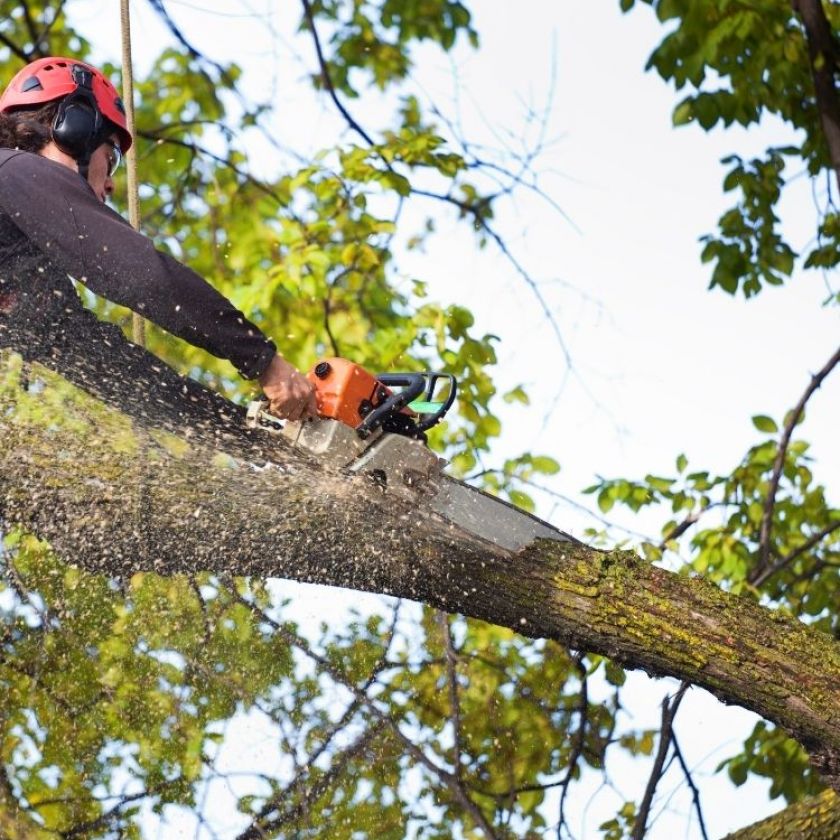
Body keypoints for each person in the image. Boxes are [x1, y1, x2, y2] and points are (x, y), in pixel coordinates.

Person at [0, 56, 317, 422]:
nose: (111, 184)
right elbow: (144, 276)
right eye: (111, 158)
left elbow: (112, 369)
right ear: (76, 128)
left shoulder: (24, 270)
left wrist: (251, 437)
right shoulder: (16, 171)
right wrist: (264, 361)